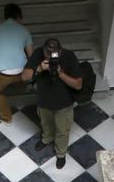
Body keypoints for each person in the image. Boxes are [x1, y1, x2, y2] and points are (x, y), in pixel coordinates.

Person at [22, 38, 82, 169]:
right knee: (45, 124)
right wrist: (39, 68)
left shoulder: (69, 56)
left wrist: (59, 72)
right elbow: (24, 77)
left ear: (59, 52)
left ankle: (61, 154)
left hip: (64, 104)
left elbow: (78, 85)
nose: (50, 59)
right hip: (44, 102)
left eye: (53, 56)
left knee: (62, 130)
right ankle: (46, 139)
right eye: (47, 55)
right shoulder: (38, 54)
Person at [0, 3, 34, 124]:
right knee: (23, 77)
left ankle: (6, 118)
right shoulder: (24, 31)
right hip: (22, 73)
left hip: (3, 73)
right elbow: (31, 56)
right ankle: (23, 86)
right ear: (19, 16)